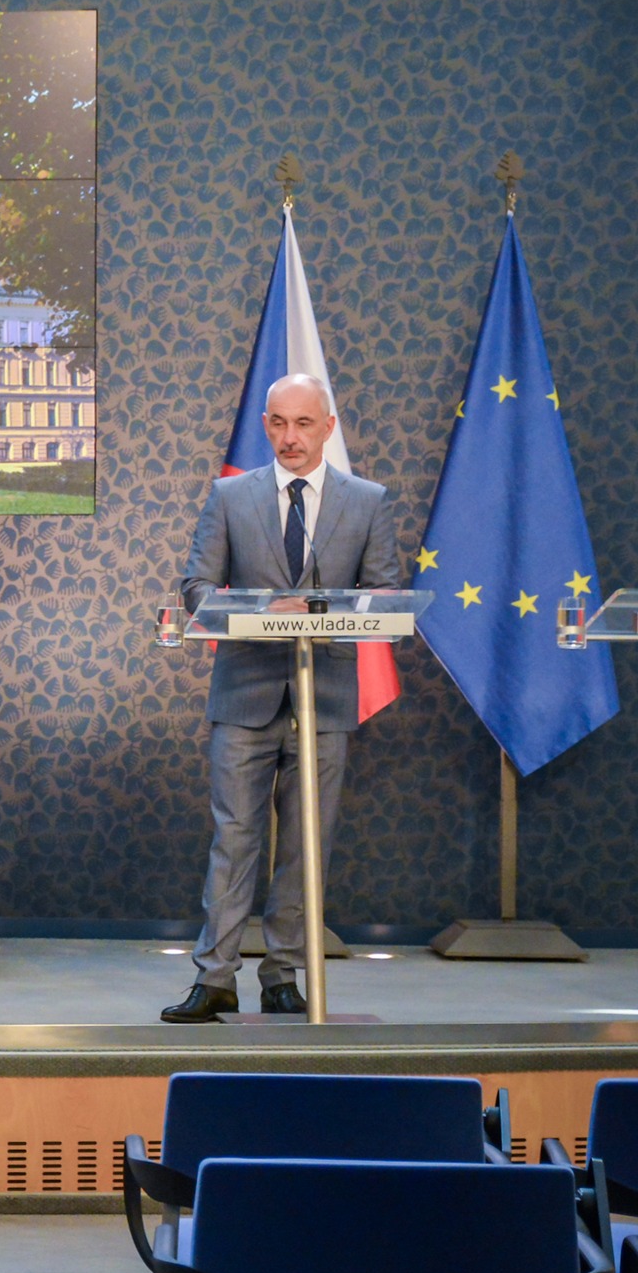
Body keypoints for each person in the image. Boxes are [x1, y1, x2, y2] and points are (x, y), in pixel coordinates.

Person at [161, 373, 401, 1023]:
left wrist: (318, 608)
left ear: (327, 426)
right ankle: (214, 976)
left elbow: (383, 594)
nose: (290, 437)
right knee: (233, 839)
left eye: (303, 424)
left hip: (323, 696)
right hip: (245, 691)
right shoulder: (230, 496)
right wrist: (268, 606)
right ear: (266, 425)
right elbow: (196, 589)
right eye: (279, 424)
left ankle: (284, 973)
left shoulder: (368, 500)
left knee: (306, 845)